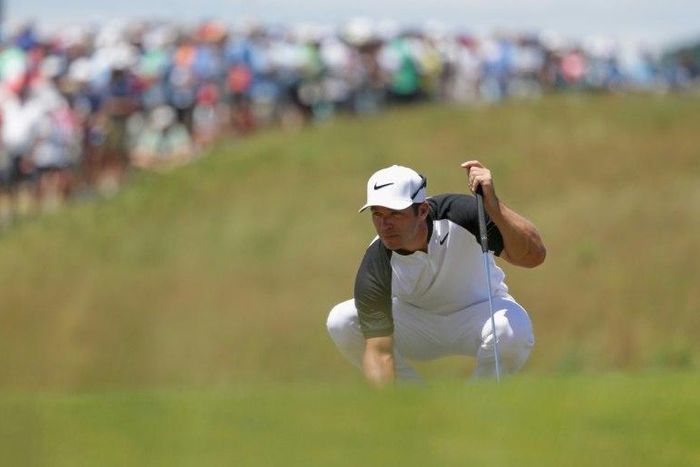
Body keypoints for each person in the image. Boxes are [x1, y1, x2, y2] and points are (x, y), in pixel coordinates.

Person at [326, 162, 546, 385]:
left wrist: (493, 206)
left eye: (395, 213)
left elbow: (533, 256)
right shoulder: (376, 263)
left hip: (479, 314)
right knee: (342, 320)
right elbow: (380, 352)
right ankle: (412, 405)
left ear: (422, 211)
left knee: (512, 328)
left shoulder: (462, 214)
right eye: (377, 214)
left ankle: (479, 405)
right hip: (419, 327)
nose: (385, 225)